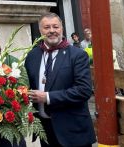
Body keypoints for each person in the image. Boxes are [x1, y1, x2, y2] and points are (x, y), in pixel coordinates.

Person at [24, 12, 96, 147]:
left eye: (55, 27)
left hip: (73, 132)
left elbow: (84, 90)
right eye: (47, 27)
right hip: (46, 132)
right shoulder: (32, 56)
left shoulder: (78, 55)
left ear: (61, 29)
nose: (52, 31)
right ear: (40, 30)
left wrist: (48, 97)